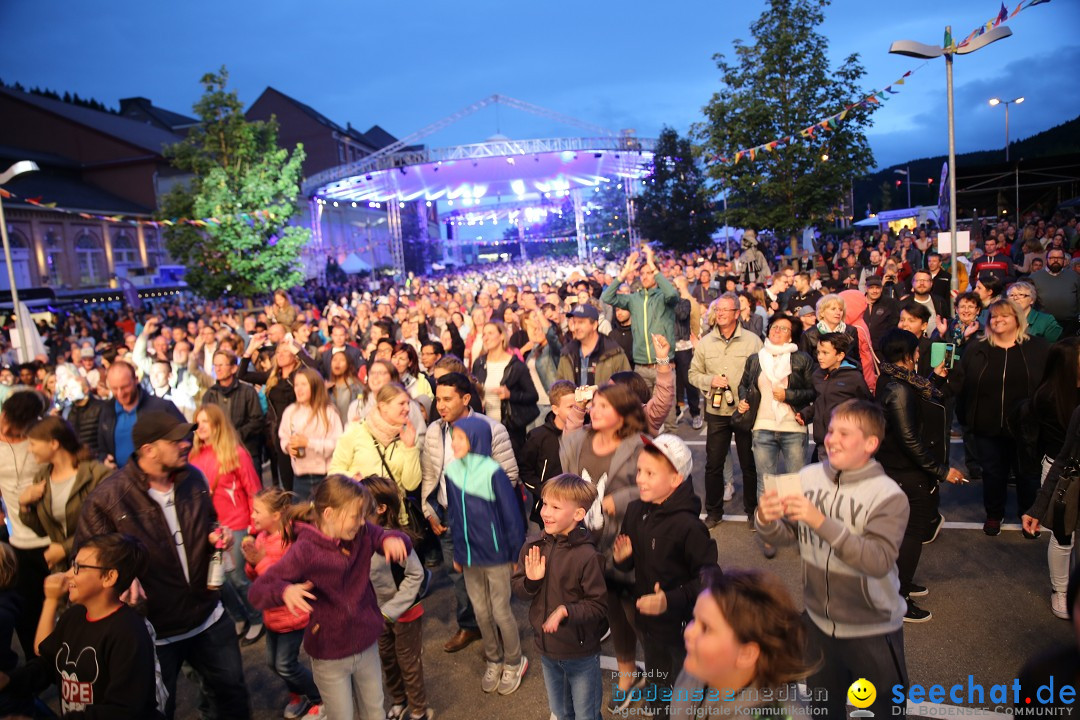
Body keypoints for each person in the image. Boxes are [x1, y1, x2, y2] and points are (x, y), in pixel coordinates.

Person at [73, 410, 251, 719]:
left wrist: (214, 533)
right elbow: (87, 565)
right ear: (148, 450)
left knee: (231, 694)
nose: (186, 444)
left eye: (187, 437)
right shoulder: (108, 499)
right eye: (176, 440)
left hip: (208, 615)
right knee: (156, 710)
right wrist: (121, 582)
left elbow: (208, 517)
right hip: (155, 631)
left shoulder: (193, 477)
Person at [756, 399, 909, 720]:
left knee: (886, 709)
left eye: (844, 433)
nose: (831, 438)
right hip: (818, 623)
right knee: (824, 708)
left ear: (870, 444)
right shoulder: (808, 477)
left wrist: (819, 521)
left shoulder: (888, 495)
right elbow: (785, 539)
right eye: (830, 430)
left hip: (872, 626)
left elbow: (877, 560)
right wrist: (767, 521)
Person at [249, 475, 411, 720]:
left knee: (375, 711)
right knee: (341, 716)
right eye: (355, 516)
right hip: (329, 654)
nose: (361, 522)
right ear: (329, 514)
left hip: (366, 644)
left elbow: (389, 537)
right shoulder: (305, 550)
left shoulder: (362, 531)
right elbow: (259, 590)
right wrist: (285, 590)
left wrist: (392, 540)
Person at [0, 533, 164, 719]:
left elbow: (123, 709)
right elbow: (47, 664)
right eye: (72, 565)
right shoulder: (74, 616)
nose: (67, 575)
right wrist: (10, 681)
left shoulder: (128, 632)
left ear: (109, 577)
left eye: (78, 568)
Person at [613, 433, 718, 715]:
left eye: (650, 473)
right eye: (639, 471)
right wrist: (623, 560)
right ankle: (658, 706)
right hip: (648, 625)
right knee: (658, 682)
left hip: (684, 630)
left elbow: (711, 579)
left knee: (686, 696)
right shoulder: (636, 511)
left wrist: (670, 600)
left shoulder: (689, 527)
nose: (640, 479)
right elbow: (631, 564)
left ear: (675, 480)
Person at [558, 383, 646, 708]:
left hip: (625, 544)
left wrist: (619, 499)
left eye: (604, 407)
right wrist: (577, 409)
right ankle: (627, 673)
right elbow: (564, 457)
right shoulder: (579, 439)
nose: (595, 410)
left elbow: (652, 484)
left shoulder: (637, 446)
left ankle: (671, 678)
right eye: (593, 405)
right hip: (588, 545)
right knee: (613, 612)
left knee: (639, 615)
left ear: (622, 416)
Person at [420, 372, 518, 654]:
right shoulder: (435, 431)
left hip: (484, 521)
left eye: (447, 399)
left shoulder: (491, 428)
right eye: (437, 399)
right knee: (459, 578)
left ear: (465, 399)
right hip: (449, 516)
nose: (440, 405)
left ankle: (501, 635)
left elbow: (508, 476)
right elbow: (431, 472)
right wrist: (430, 510)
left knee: (492, 585)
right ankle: (470, 626)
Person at [875, 329, 966, 623]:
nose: (919, 355)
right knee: (912, 532)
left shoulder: (895, 378)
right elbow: (909, 439)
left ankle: (903, 582)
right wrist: (941, 471)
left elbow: (920, 394)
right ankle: (897, 597)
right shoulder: (897, 388)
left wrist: (936, 377)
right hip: (905, 471)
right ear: (907, 354)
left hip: (901, 469)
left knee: (905, 532)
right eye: (916, 351)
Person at [949, 296, 1049, 536]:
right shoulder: (977, 348)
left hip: (1027, 427)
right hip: (986, 426)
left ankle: (1029, 516)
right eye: (993, 316)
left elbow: (1047, 387)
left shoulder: (1038, 349)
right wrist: (966, 419)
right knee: (993, 474)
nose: (998, 320)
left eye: (1004, 315)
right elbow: (962, 387)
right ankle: (994, 514)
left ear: (1017, 318)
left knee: (1028, 475)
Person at [512, 473, 607, 720]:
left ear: (578, 514)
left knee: (587, 715)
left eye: (555, 507)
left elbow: (598, 606)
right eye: (544, 503)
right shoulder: (533, 546)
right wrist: (532, 582)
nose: (545, 512)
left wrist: (567, 610)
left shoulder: (588, 556)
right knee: (561, 712)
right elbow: (519, 590)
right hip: (547, 651)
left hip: (581, 654)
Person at [445, 417, 528, 695]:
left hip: (497, 554)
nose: (453, 443)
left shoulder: (494, 472)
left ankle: (514, 660)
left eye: (459, 438)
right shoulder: (452, 472)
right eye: (453, 437)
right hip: (469, 556)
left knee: (501, 610)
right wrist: (458, 551)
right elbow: (454, 516)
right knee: (480, 612)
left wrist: (515, 553)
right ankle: (493, 659)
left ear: (476, 440)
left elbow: (512, 516)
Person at [669, 569, 809, 719]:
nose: (688, 632)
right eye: (693, 619)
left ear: (746, 653)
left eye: (706, 628)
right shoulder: (699, 669)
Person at [736, 314, 815, 559]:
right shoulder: (756, 358)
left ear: (792, 334)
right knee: (766, 483)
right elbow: (744, 384)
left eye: (783, 328)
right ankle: (769, 535)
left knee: (795, 483)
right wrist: (742, 400)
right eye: (774, 327)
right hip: (762, 426)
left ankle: (800, 533)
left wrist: (788, 395)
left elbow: (813, 391)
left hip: (793, 427)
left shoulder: (802, 359)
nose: (777, 331)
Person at [242, 487, 323, 719]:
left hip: (292, 616)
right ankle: (296, 696)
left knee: (286, 664)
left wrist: (261, 561)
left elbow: (283, 580)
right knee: (272, 663)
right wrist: (251, 562)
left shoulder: (289, 541)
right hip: (272, 615)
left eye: (258, 511)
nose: (253, 516)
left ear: (276, 515)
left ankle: (319, 697)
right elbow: (258, 579)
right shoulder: (261, 538)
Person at [190, 403, 265, 644]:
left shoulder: (236, 453)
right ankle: (239, 617)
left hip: (237, 524)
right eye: (197, 422)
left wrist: (253, 530)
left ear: (217, 424)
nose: (200, 427)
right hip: (211, 529)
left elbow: (254, 491)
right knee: (217, 581)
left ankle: (256, 618)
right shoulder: (193, 458)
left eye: (205, 422)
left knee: (238, 578)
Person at [361, 474, 432, 720]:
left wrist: (391, 609)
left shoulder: (395, 540)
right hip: (377, 614)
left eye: (362, 502)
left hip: (405, 613)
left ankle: (419, 710)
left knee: (408, 663)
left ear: (381, 508)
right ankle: (399, 701)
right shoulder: (359, 537)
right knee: (388, 660)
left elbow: (416, 575)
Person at [688, 294, 762, 528]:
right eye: (717, 310)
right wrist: (710, 380)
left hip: (744, 411)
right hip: (716, 411)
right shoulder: (706, 342)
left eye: (725, 310)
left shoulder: (752, 341)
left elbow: (762, 374)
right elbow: (692, 374)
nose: (719, 314)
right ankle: (714, 511)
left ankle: (752, 511)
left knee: (748, 463)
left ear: (737, 314)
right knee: (714, 464)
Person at [1021, 342, 1080, 620]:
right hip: (1063, 471)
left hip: (1061, 467)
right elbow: (1061, 455)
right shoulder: (1049, 396)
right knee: (1062, 534)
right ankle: (1061, 590)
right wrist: (1037, 508)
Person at [19, 417, 111, 573]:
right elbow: (43, 530)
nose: (29, 449)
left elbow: (107, 525)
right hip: (63, 570)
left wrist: (65, 548)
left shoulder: (97, 475)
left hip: (98, 567)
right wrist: (24, 505)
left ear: (54, 444)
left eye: (33, 444)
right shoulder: (42, 477)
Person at [600, 247, 680, 422]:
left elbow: (673, 294)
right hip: (641, 368)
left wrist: (652, 263)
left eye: (649, 273)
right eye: (642, 273)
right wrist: (625, 272)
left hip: (663, 365)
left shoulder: (663, 297)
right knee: (641, 418)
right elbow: (607, 297)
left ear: (656, 275)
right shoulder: (633, 299)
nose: (644, 276)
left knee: (668, 419)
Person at [330, 383, 421, 529]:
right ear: (383, 406)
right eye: (401, 404)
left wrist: (410, 448)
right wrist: (355, 478)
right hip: (360, 517)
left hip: (395, 519)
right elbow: (334, 471)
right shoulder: (356, 431)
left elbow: (411, 484)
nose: (408, 409)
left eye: (408, 403)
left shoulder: (406, 436)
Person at [0, 390, 49, 656]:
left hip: (52, 537)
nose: (11, 432)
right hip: (17, 539)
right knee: (27, 611)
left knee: (66, 607)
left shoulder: (41, 438)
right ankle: (37, 666)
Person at [241, 335, 316, 492]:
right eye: (278, 352)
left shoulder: (300, 376)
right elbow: (242, 375)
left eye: (285, 352)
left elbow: (315, 369)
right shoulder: (272, 377)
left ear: (294, 356)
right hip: (281, 434)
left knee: (308, 480)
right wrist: (250, 350)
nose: (280, 355)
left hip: (301, 431)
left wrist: (298, 349)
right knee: (287, 482)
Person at [796, 332, 870, 462]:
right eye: (818, 352)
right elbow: (820, 402)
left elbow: (867, 406)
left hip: (846, 442)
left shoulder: (853, 377)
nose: (820, 357)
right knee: (826, 480)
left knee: (845, 481)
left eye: (825, 353)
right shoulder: (818, 375)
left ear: (840, 355)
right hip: (824, 442)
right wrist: (806, 414)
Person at [471, 320, 539, 460]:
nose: (486, 337)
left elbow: (532, 396)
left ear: (502, 336)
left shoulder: (516, 365)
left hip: (510, 429)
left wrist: (510, 395)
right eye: (484, 334)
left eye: (490, 333)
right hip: (484, 427)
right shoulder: (479, 363)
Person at [97, 361, 185, 467]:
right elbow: (101, 448)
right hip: (120, 479)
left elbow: (186, 438)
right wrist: (104, 459)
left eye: (125, 387)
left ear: (136, 380)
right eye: (115, 389)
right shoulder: (107, 410)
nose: (120, 394)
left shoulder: (162, 407)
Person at [280, 367, 345, 502]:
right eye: (296, 385)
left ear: (315, 386)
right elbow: (283, 436)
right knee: (301, 519)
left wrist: (308, 443)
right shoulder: (290, 411)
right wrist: (287, 447)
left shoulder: (328, 412)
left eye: (304, 384)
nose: (299, 389)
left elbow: (337, 444)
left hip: (324, 477)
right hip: (300, 477)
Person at [519, 381, 576, 523]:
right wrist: (543, 492)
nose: (577, 410)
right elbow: (525, 470)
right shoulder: (538, 437)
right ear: (555, 409)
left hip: (576, 505)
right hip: (547, 509)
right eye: (570, 407)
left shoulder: (585, 432)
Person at [200, 349, 265, 468]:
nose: (217, 369)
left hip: (246, 450)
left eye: (221, 365)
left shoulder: (247, 392)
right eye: (215, 365)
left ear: (234, 368)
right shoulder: (210, 394)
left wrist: (235, 435)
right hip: (218, 452)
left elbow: (257, 420)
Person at [556, 304, 630, 390]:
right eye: (574, 322)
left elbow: (627, 385)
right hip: (575, 403)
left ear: (594, 325)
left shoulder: (613, 352)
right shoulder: (567, 353)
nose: (576, 327)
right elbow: (560, 387)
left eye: (581, 322)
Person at [1030, 247, 1080, 337]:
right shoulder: (1034, 277)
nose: (1056, 260)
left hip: (1070, 325)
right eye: (1052, 258)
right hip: (1043, 324)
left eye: (1059, 258)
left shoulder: (1074, 276)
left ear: (1064, 260)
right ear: (1046, 260)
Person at [326, 348, 363, 425]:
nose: (337, 363)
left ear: (348, 364)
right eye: (334, 360)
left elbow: (361, 409)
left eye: (342, 360)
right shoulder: (327, 388)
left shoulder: (356, 387)